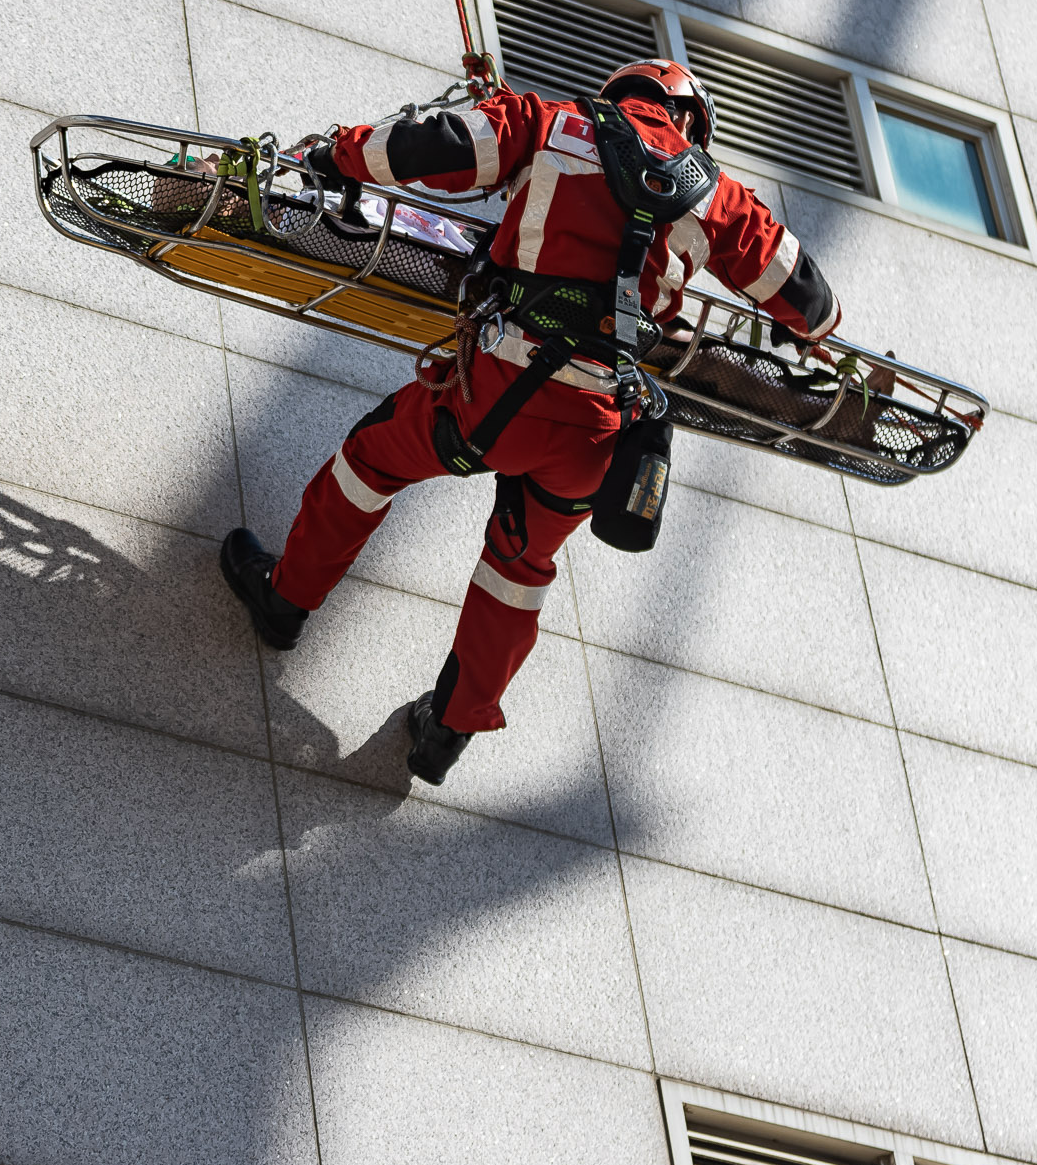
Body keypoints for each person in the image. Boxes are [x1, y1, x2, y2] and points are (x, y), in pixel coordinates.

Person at [218, 60, 844, 784]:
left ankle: (284, 600)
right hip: (595, 432)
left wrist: (337, 152)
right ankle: (446, 733)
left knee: (371, 462)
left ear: (623, 92)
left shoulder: (549, 124)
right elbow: (815, 307)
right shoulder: (720, 199)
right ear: (691, 122)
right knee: (519, 569)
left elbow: (426, 147)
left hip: (495, 389)